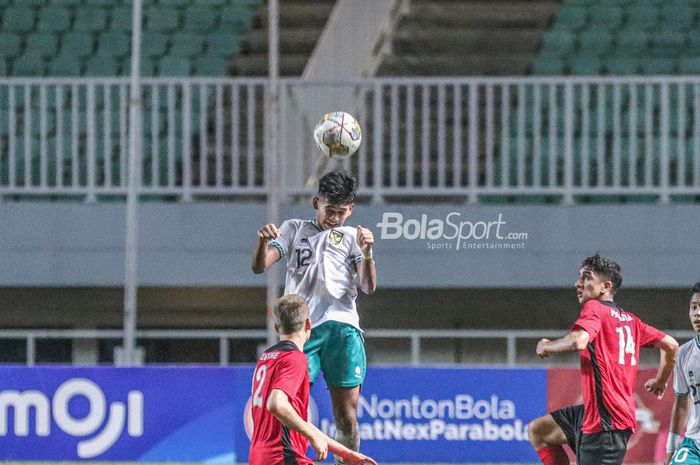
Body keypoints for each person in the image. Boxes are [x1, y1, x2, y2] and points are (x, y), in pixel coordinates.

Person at [252, 170, 377, 464]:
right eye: (328, 210)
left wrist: (368, 253)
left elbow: (368, 286)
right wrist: (262, 242)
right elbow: (261, 266)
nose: (334, 218)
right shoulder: (293, 229)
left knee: (346, 416)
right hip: (303, 333)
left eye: (341, 212)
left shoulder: (353, 237)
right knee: (289, 406)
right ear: (315, 202)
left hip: (345, 330)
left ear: (351, 209)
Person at [527, 253, 679, 465]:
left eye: (587, 277)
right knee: (539, 431)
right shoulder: (632, 322)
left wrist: (546, 346)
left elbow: (578, 341)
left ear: (605, 287)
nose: (578, 283)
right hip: (595, 413)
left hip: (606, 423)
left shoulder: (594, 308)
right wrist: (661, 381)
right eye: (580, 277)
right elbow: (671, 345)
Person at [249, 294, 376, 465]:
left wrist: (344, 452)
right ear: (309, 324)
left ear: (276, 328)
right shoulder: (295, 358)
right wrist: (312, 437)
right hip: (283, 457)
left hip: (258, 457)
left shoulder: (267, 358)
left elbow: (296, 420)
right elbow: (276, 404)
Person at [664, 283, 700, 465]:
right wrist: (671, 448)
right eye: (694, 307)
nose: (697, 313)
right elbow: (681, 403)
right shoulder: (684, 353)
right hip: (694, 444)